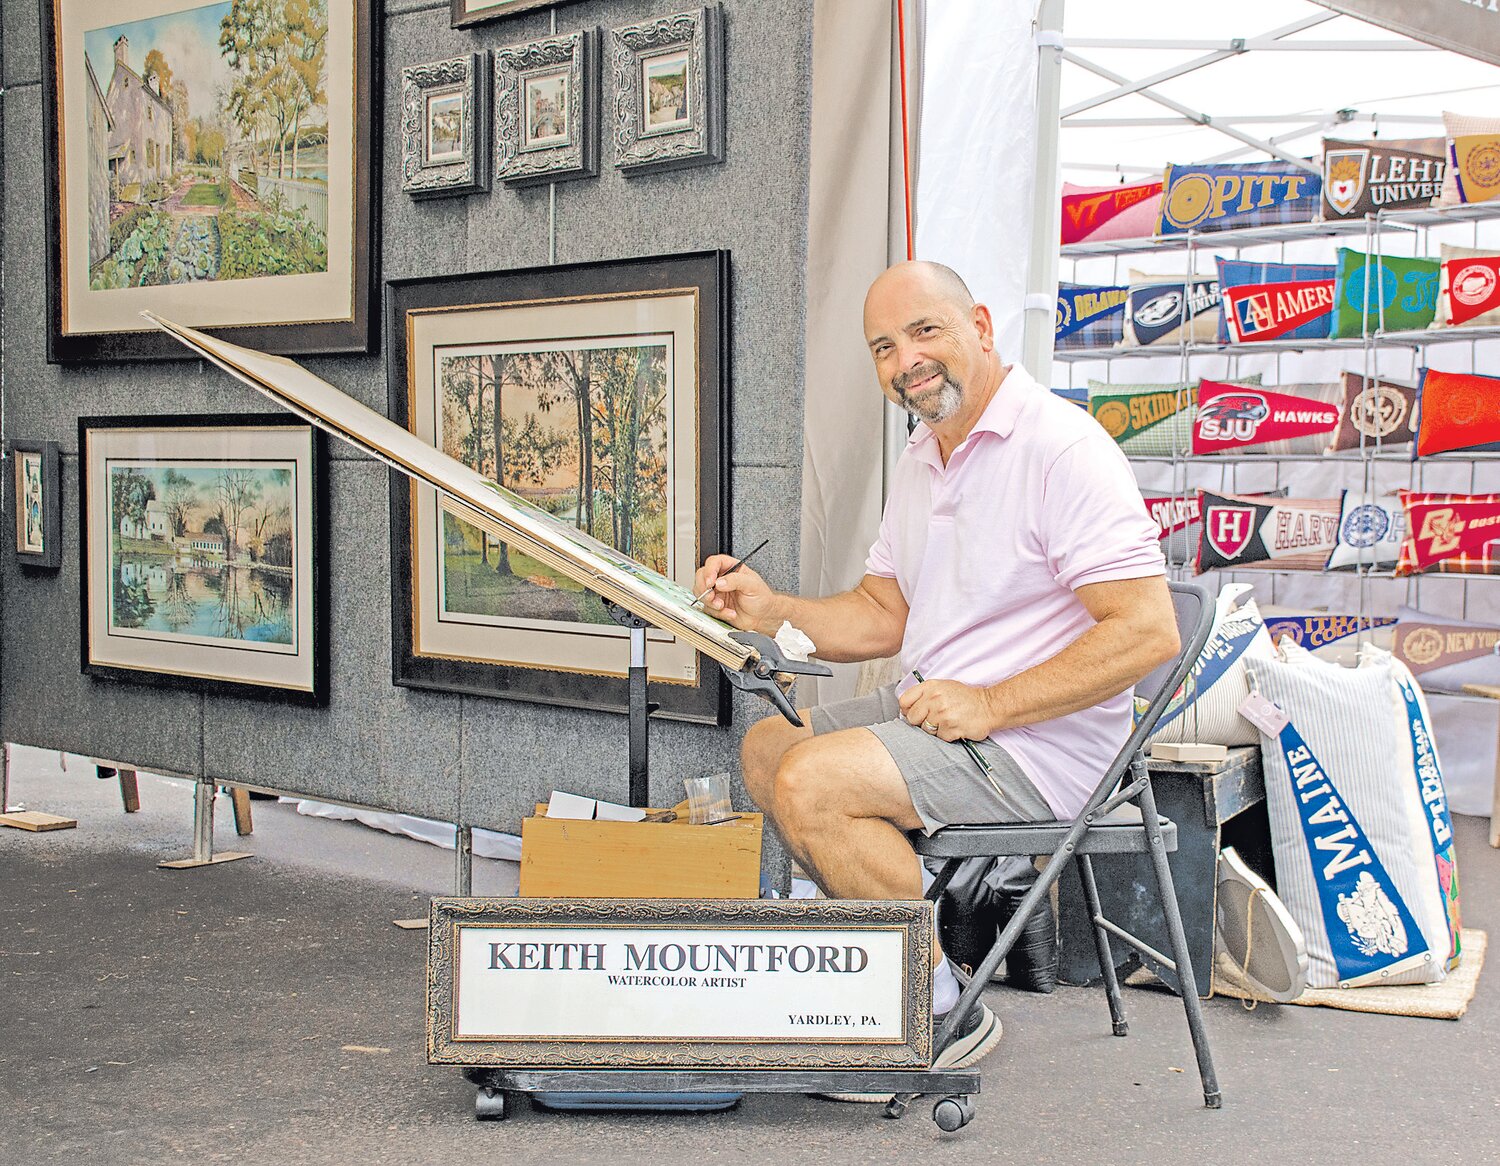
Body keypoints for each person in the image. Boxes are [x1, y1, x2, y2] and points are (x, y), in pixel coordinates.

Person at [693, 260, 1178, 1094]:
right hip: (947, 708)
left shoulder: (1060, 448)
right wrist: (770, 609)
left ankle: (939, 1004)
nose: (905, 360)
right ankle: (895, 947)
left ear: (981, 327)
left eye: (925, 331)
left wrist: (991, 703)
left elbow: (1147, 632)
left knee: (811, 784)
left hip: (1040, 742)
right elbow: (886, 615)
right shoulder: (926, 454)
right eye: (884, 346)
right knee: (771, 748)